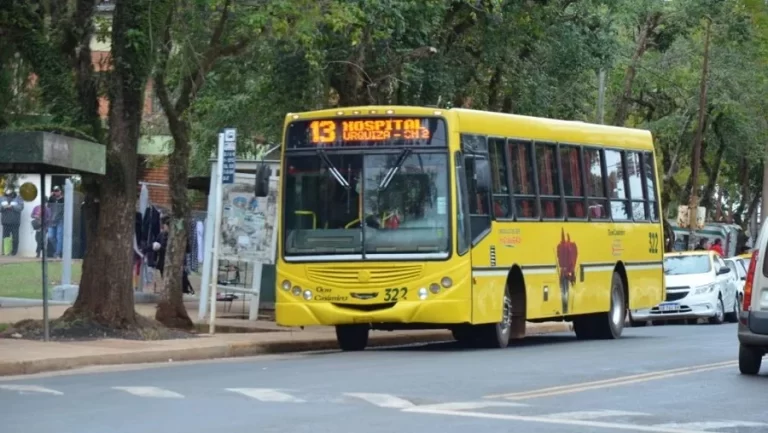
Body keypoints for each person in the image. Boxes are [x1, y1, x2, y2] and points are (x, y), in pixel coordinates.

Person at [0, 188, 24, 256]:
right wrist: (4, 207)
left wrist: (12, 207)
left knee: (15, 238)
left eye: (10, 193)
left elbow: (21, 208)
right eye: (7, 192)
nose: (9, 195)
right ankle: (5, 252)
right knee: (5, 238)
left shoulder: (19, 198)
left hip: (15, 222)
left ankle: (14, 253)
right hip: (5, 221)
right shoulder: (2, 198)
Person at [47, 186, 65, 258]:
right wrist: (51, 196)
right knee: (50, 237)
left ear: (60, 191)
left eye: (57, 190)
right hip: (52, 220)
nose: (56, 192)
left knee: (59, 237)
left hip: (60, 220)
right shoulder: (51, 198)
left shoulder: (63, 199)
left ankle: (57, 253)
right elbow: (48, 207)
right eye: (55, 191)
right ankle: (58, 250)